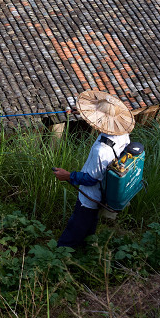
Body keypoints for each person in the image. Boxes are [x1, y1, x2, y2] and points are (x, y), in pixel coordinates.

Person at [52, 90, 134, 249]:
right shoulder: (122, 132)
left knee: (75, 229)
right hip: (104, 191)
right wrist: (83, 114)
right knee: (89, 226)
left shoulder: (101, 150)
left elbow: (91, 179)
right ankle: (87, 249)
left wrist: (67, 175)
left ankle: (59, 256)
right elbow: (105, 123)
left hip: (91, 196)